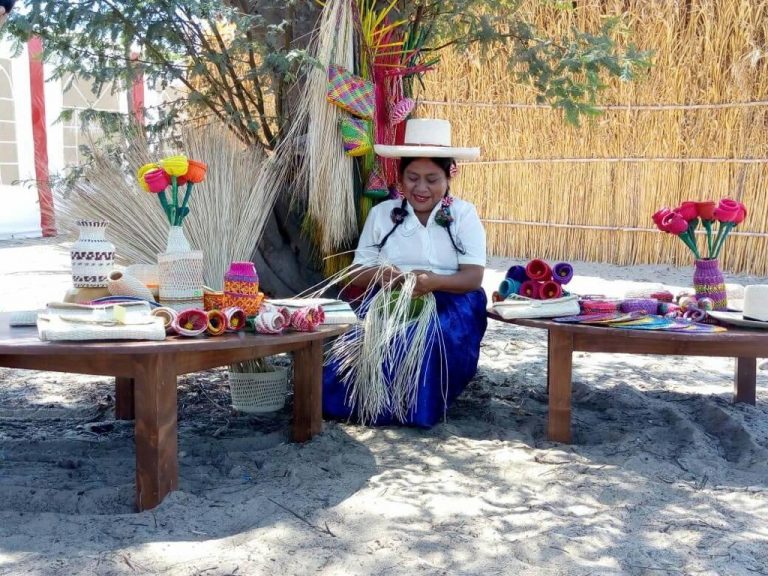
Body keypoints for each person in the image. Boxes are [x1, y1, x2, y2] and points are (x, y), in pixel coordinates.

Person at [323, 118, 487, 427]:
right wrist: (381, 276)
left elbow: (473, 277)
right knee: (359, 345)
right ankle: (363, 405)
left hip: (453, 301)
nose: (421, 188)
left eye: (432, 179)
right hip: (391, 297)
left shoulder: (463, 215)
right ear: (400, 177)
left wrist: (436, 282)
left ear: (450, 175)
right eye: (412, 177)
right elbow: (356, 272)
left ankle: (412, 410)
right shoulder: (383, 214)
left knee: (421, 339)